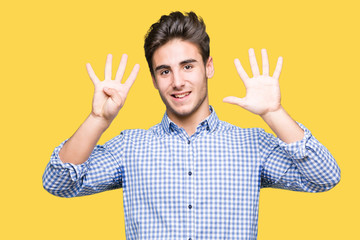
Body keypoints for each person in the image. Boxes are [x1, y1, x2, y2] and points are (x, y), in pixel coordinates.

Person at [42, 11, 340, 240]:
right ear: (155, 80)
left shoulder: (252, 145)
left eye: (188, 66)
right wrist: (98, 120)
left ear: (208, 66)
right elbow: (58, 183)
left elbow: (324, 177)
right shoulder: (129, 147)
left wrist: (274, 112)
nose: (178, 81)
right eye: (164, 71)